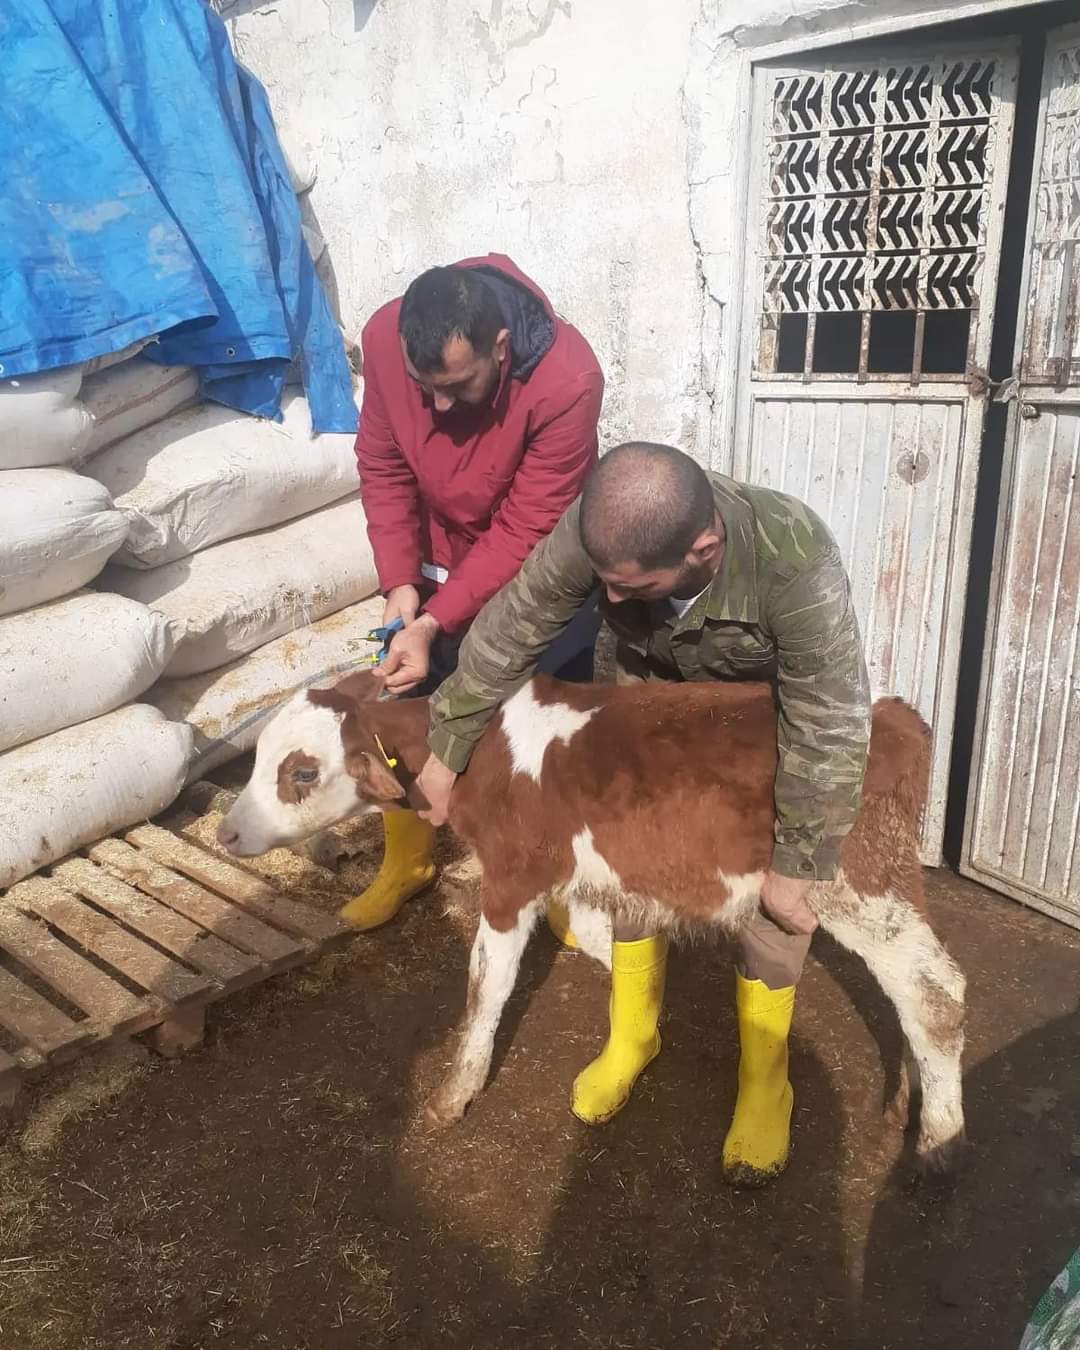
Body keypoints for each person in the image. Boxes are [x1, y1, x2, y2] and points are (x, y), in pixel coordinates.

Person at [414, 442, 872, 1185]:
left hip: (750, 722)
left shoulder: (795, 558)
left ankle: (765, 1083)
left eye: (634, 587)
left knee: (771, 888)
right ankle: (633, 1035)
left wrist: (803, 859)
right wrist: (447, 741)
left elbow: (830, 714)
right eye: (605, 585)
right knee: (629, 854)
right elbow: (515, 625)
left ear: (705, 548)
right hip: (641, 691)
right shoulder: (603, 532)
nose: (613, 600)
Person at [350, 254, 604, 930]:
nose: (435, 406)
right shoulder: (382, 338)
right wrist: (400, 579)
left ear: (500, 347)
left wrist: (437, 621)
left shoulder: (566, 382)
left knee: (542, 730)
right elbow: (381, 461)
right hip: (433, 565)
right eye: (422, 385)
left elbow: (526, 527)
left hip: (538, 572)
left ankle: (554, 874)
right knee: (400, 709)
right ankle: (408, 860)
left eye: (456, 387)